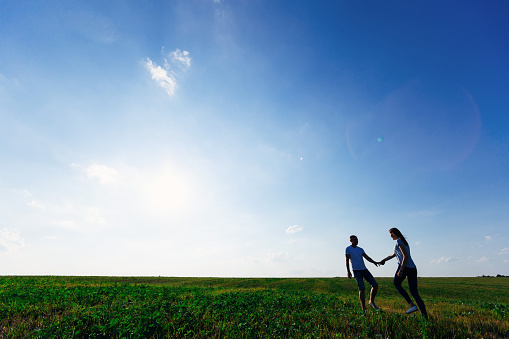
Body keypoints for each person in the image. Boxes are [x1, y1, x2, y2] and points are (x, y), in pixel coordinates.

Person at [380, 228, 428, 320]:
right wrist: (384, 260)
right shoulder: (403, 241)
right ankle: (425, 317)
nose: (390, 236)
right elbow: (394, 254)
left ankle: (411, 305)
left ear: (393, 233)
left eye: (390, 234)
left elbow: (405, 257)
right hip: (412, 268)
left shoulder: (399, 241)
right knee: (414, 292)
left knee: (396, 284)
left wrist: (401, 270)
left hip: (404, 267)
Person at [345, 235, 380, 313]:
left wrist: (374, 262)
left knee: (375, 285)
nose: (356, 241)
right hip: (356, 271)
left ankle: (371, 302)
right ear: (350, 240)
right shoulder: (348, 249)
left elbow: (367, 257)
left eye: (357, 239)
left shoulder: (360, 249)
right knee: (362, 289)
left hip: (364, 269)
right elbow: (347, 260)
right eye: (354, 239)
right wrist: (348, 271)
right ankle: (363, 308)